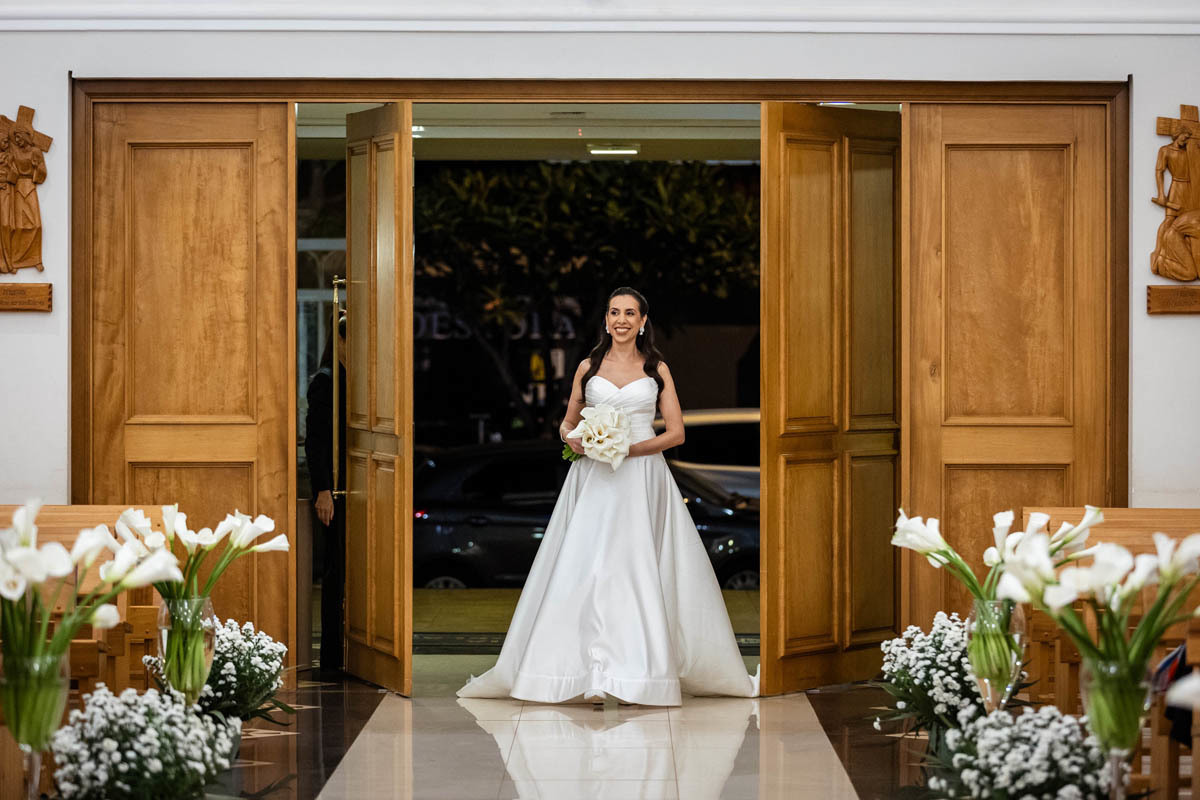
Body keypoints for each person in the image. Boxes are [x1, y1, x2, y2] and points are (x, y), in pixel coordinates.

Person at [458, 287, 758, 706]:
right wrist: (579, 440)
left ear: (642, 322)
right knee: (586, 569)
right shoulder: (588, 366)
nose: (621, 320)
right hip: (593, 480)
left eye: (630, 313)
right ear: (606, 320)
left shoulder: (657, 369)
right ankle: (582, 674)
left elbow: (676, 432)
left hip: (641, 480)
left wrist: (628, 449)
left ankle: (637, 677)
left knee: (636, 571)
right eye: (614, 312)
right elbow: (565, 423)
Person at [305, 315, 346, 679]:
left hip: (352, 491)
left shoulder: (350, 381)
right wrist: (323, 491)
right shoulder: (325, 382)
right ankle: (330, 658)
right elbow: (316, 442)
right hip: (332, 492)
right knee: (334, 571)